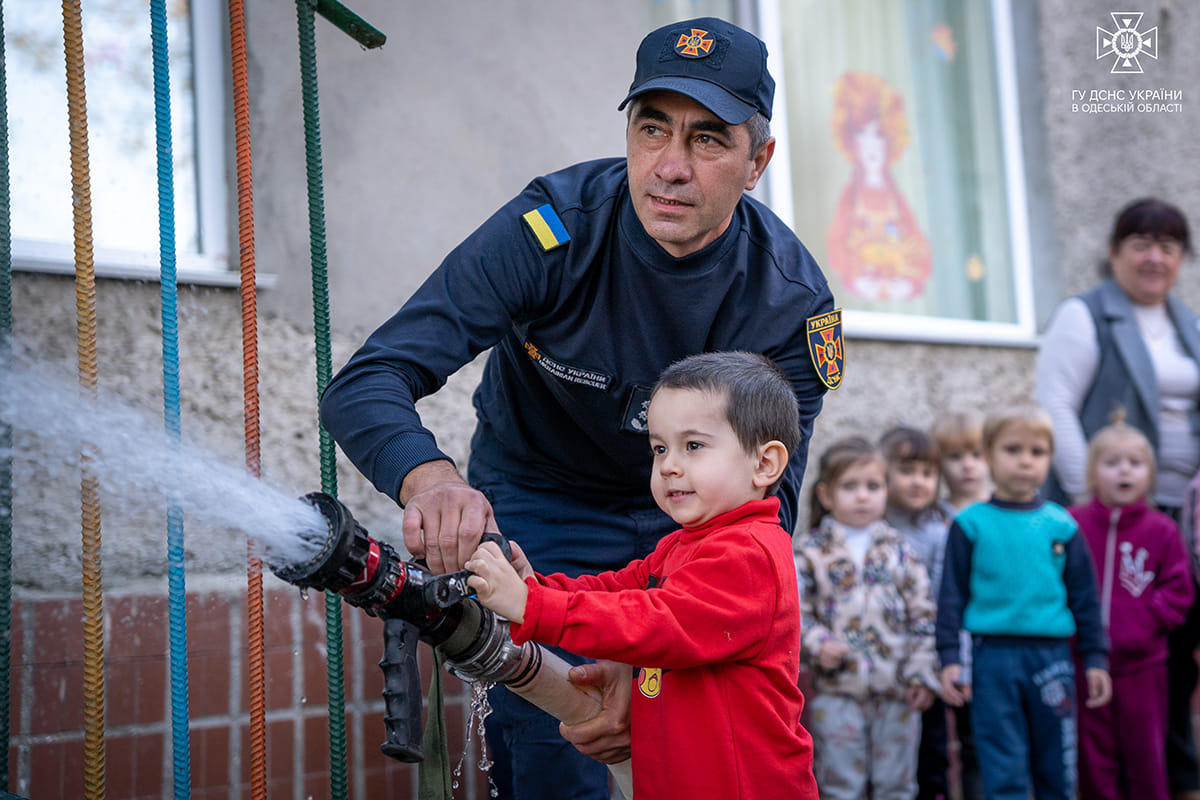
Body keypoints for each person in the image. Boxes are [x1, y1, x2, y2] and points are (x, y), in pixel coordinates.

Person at [317, 16, 837, 800]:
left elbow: (767, 505)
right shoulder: (548, 229)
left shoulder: (791, 305)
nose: (670, 167)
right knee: (556, 751)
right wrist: (430, 481)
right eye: (651, 128)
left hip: (694, 530)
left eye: (708, 140)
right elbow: (370, 377)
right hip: (540, 495)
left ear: (758, 160)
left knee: (683, 747)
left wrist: (651, 651)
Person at [465, 351, 818, 800]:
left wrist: (533, 607)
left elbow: (656, 622)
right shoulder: (685, 544)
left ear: (765, 464)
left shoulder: (750, 555)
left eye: (693, 446)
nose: (669, 465)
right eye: (659, 448)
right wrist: (536, 586)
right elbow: (616, 588)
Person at [1034, 198, 1200, 800]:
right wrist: (1093, 505)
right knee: (1111, 664)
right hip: (1116, 516)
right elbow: (1054, 409)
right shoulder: (1086, 316)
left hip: (1186, 516)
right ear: (1114, 252)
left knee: (1174, 659)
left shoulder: (1188, 324)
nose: (1155, 257)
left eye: (1169, 246)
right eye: (1141, 243)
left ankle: (1179, 779)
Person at [936, 401, 1112, 800]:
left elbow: (1085, 599)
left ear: (1049, 458)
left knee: (1057, 765)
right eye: (1012, 450)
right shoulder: (969, 525)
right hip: (992, 658)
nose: (1025, 462)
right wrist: (949, 658)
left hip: (1052, 660)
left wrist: (1097, 658)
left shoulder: (1063, 526)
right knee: (1003, 763)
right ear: (989, 455)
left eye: (1037, 452)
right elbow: (951, 599)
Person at [796, 435, 938, 800]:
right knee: (840, 786)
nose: (862, 496)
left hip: (898, 691)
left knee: (898, 786)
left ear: (886, 491)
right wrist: (818, 643)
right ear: (826, 495)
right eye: (850, 486)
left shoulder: (901, 551)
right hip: (837, 691)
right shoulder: (811, 552)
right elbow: (795, 612)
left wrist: (922, 672)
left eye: (872, 486)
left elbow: (923, 615)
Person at [1068, 416, 1194, 800]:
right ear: (1092, 474)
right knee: (1093, 753)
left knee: (1144, 751)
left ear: (1149, 475)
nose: (1124, 470)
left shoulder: (1161, 530)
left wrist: (1145, 621)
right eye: (1111, 462)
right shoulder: (1071, 525)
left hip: (1143, 665)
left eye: (1134, 463)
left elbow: (1179, 589)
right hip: (1085, 663)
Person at [880, 426, 952, 800]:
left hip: (925, 655)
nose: (918, 482)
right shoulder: (873, 527)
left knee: (931, 751)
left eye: (927, 473)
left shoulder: (939, 532)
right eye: (907, 471)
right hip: (879, 658)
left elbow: (942, 595)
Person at [929, 409, 989, 800]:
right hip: (948, 650)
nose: (968, 465)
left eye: (977, 454)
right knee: (949, 746)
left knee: (985, 747)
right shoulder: (934, 520)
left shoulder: (1002, 511)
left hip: (993, 650)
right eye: (955, 456)